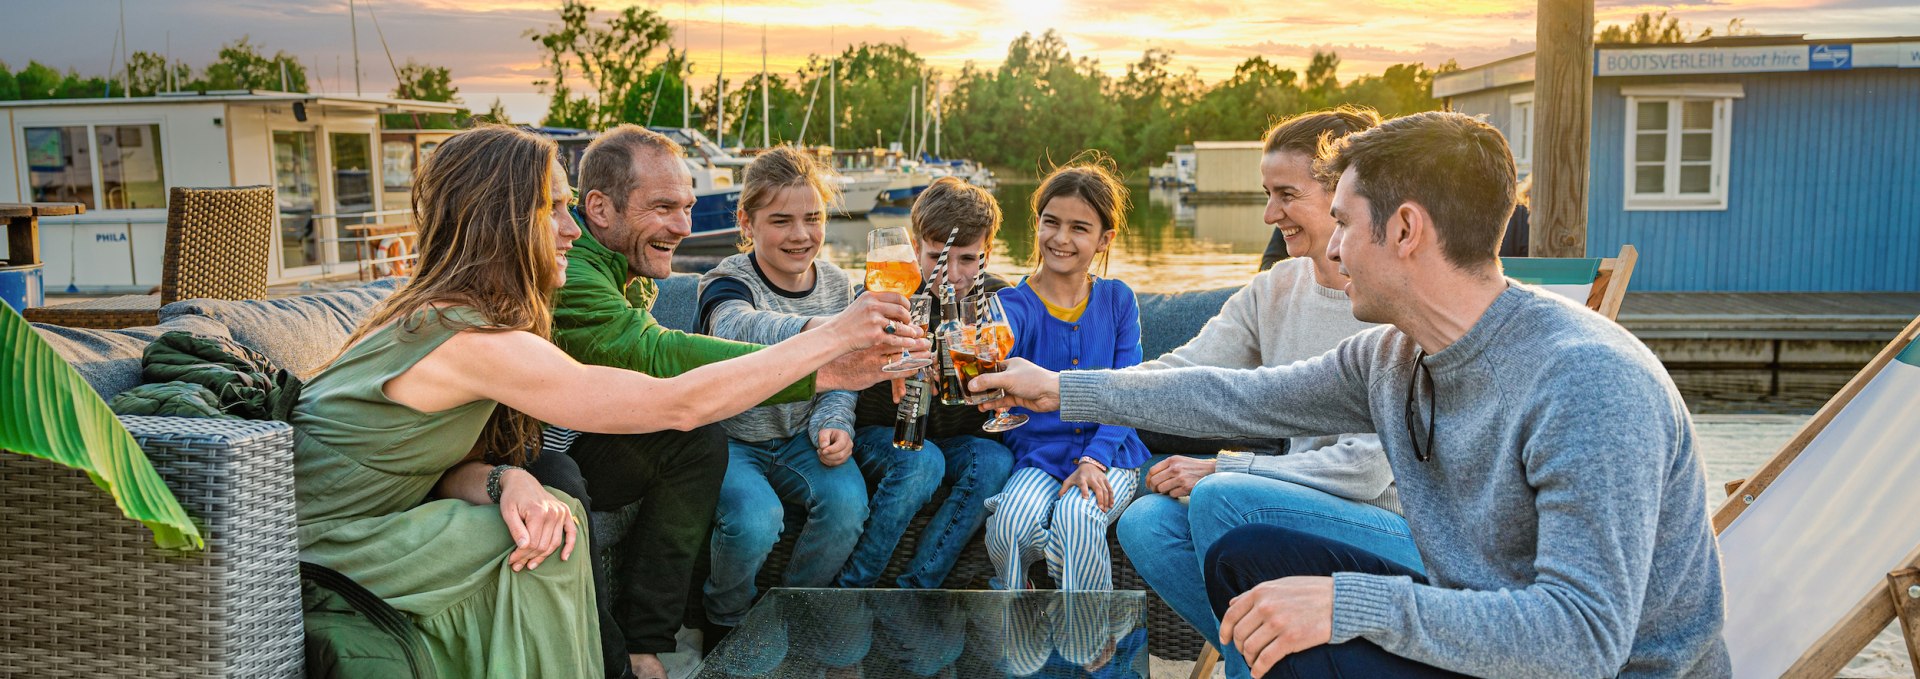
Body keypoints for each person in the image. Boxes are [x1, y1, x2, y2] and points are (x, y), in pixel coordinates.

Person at [972, 112, 1729, 678]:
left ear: (1404, 229)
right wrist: (1060, 389)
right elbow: (1238, 399)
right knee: (1249, 557)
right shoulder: (1395, 354)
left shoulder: (1587, 382)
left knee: (1293, 596)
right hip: (1473, 616)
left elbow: (1584, 637)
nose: (1327, 251)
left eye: (1342, 223)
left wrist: (1348, 604)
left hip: (1596, 669)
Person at [290, 125, 920, 677]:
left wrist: (504, 478)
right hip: (327, 547)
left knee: (548, 506)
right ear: (499, 219)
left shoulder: (470, 316)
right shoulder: (468, 337)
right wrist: (829, 339)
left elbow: (433, 465)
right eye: (553, 210)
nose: (572, 229)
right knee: (549, 539)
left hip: (365, 522)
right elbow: (671, 397)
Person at [532, 124, 914, 679]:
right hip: (550, 448)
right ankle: (641, 652)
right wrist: (825, 347)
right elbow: (660, 355)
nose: (684, 227)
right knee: (577, 477)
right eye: (663, 207)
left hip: (605, 431)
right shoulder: (582, 274)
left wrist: (835, 383)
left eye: (687, 207)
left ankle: (674, 635)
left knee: (701, 445)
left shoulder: (626, 268)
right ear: (601, 208)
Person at [1113, 106, 1415, 679]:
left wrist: (1226, 468)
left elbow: (1366, 471)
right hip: (1288, 504)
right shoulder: (1277, 287)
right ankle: (1274, 661)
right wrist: (1065, 390)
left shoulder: (1392, 303)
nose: (1270, 213)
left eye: (1286, 194)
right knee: (1144, 523)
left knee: (1220, 498)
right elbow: (1184, 370)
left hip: (1386, 523)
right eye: (1266, 193)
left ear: (1341, 194)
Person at [694, 146, 867, 640]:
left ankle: (788, 608)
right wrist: (824, 328)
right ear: (747, 223)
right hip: (729, 440)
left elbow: (844, 374)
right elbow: (736, 328)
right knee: (755, 519)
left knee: (847, 505)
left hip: (799, 439)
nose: (800, 235)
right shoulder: (727, 280)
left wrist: (834, 420)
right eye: (781, 220)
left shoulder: (838, 283)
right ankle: (724, 619)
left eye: (813, 218)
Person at [841, 176, 1017, 589]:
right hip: (881, 434)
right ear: (916, 247)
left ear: (986, 253)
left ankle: (916, 588)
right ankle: (853, 587)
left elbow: (1008, 391)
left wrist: (996, 384)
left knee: (994, 461)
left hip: (956, 441)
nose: (951, 275)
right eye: (938, 257)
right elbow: (845, 379)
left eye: (968, 260)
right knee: (922, 461)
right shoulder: (886, 291)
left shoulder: (997, 302)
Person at [984, 158, 1149, 591]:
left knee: (1078, 518)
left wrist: (1094, 459)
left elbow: (1128, 391)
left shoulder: (1117, 300)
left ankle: (1089, 647)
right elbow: (994, 349)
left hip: (1111, 452)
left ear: (1103, 239)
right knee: (1010, 528)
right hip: (1038, 455)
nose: (1060, 238)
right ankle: (1021, 633)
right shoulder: (1011, 304)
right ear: (1036, 224)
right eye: (1051, 223)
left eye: (1079, 228)